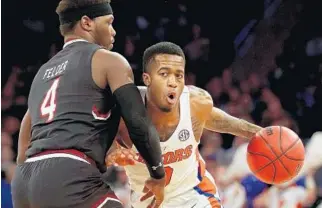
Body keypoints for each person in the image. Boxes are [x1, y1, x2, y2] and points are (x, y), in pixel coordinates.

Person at [11, 1, 166, 207]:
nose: (113, 31)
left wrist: (36, 180)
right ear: (87, 22)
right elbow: (138, 123)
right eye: (109, 23)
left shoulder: (43, 73)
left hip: (24, 182)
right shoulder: (109, 60)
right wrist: (157, 173)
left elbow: (26, 132)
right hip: (68, 175)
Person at [106, 42, 263, 208]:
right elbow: (95, 147)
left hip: (195, 196)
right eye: (164, 74)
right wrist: (110, 154)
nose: (172, 82)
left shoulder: (194, 102)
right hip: (147, 203)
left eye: (178, 75)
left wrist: (262, 134)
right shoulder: (123, 111)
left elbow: (223, 121)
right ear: (147, 79)